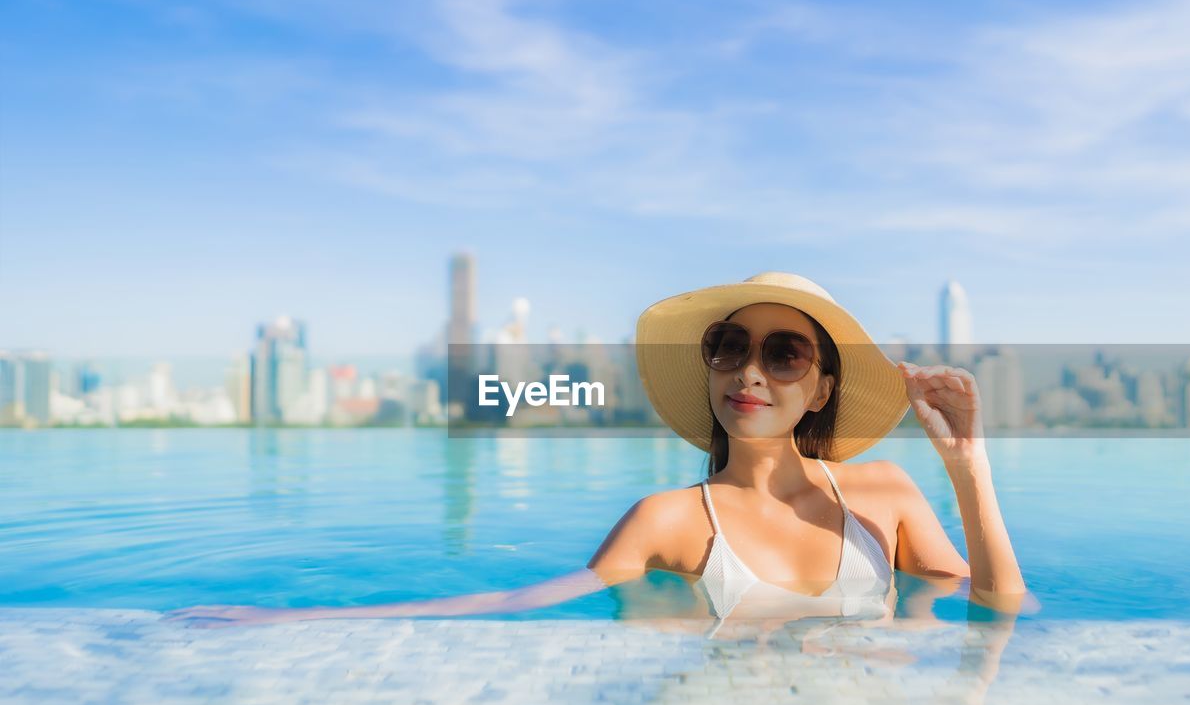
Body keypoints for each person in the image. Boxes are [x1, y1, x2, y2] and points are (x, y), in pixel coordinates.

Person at [167, 272, 1027, 629]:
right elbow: (515, 602)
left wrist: (968, 470)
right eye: (730, 346)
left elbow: (997, 607)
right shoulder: (668, 520)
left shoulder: (886, 494)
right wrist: (291, 621)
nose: (751, 373)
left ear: (823, 385)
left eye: (785, 353)